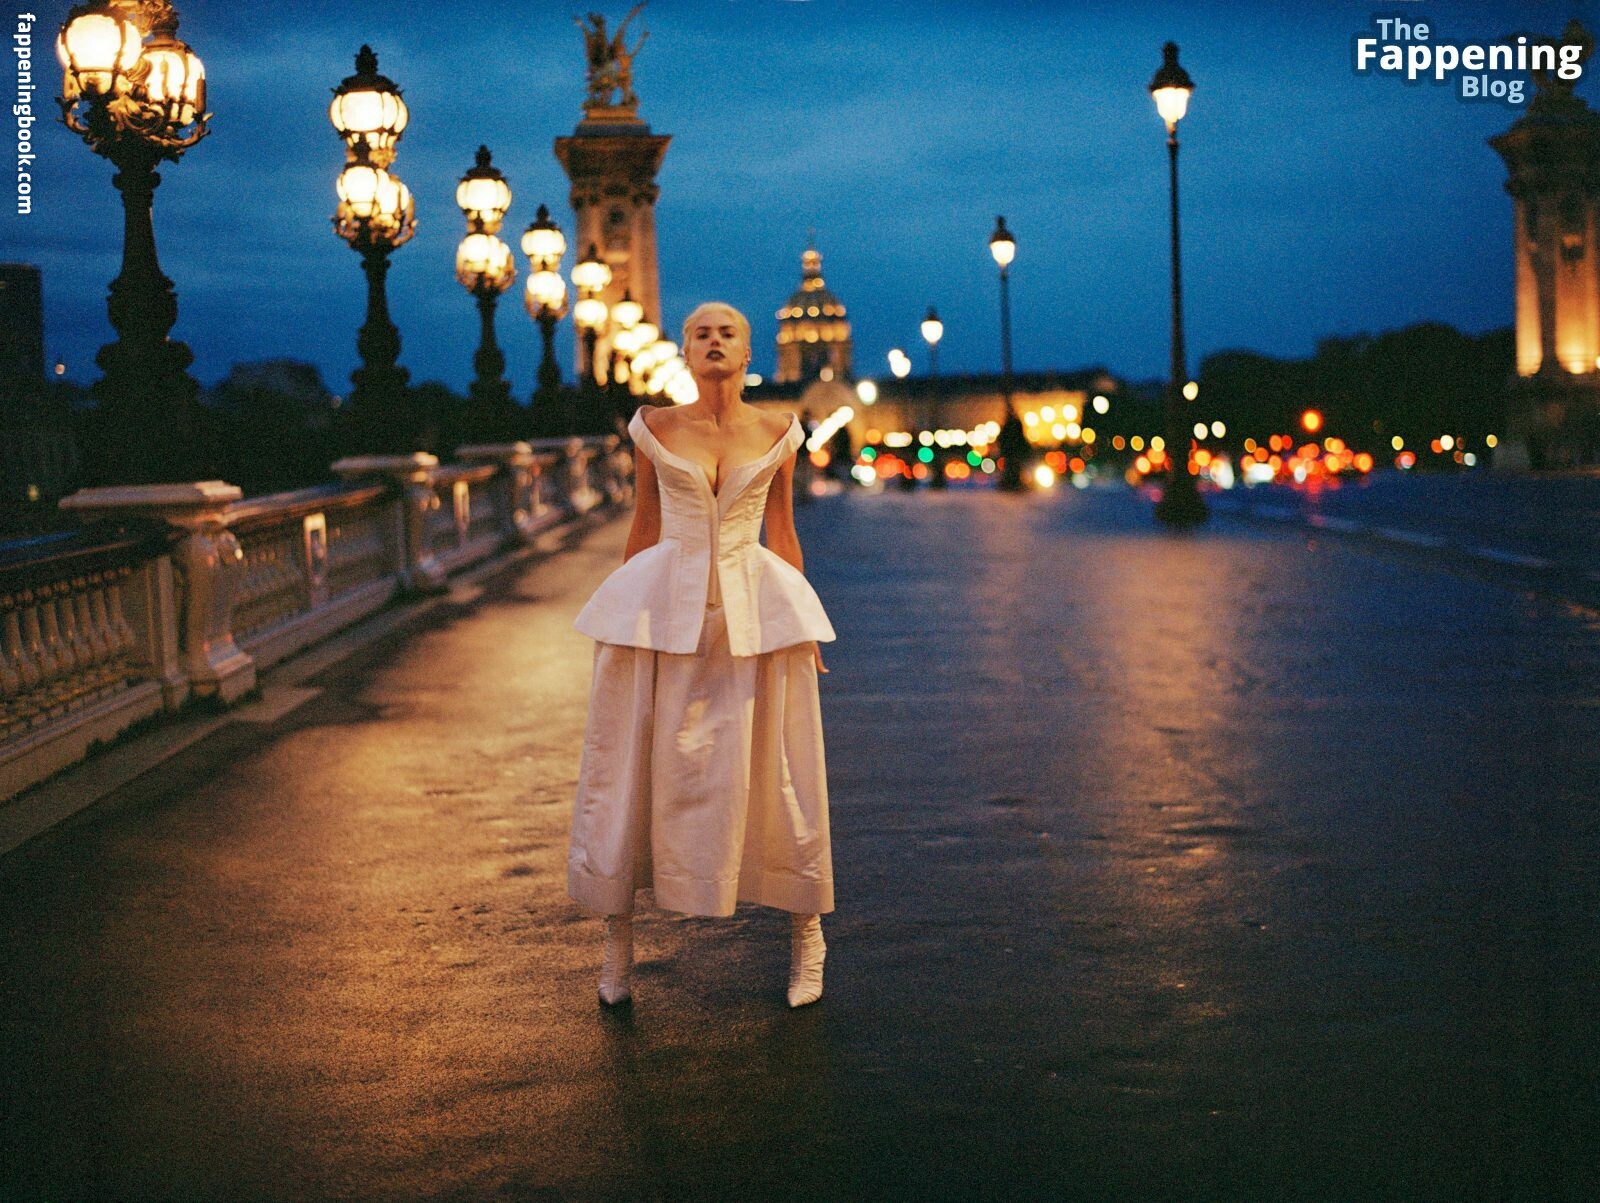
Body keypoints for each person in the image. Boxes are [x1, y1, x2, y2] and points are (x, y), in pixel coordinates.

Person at [567, 301, 838, 1009]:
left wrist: (803, 624)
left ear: (748, 353)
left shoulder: (780, 429)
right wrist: (621, 616)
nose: (714, 341)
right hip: (666, 609)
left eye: (727, 333)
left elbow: (782, 531)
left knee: (781, 771)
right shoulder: (652, 427)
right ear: (685, 352)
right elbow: (644, 527)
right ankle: (617, 943)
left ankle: (807, 935)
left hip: (753, 612)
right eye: (700, 333)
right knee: (634, 771)